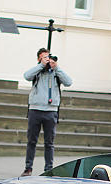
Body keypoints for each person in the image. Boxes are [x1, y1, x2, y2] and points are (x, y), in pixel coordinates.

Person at [21, 48, 73, 176]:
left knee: (49, 143)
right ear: (39, 59)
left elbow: (69, 82)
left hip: (50, 111)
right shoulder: (37, 71)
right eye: (44, 57)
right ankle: (28, 168)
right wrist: (41, 65)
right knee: (31, 141)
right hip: (35, 109)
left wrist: (57, 67)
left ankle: (49, 169)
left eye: (48, 57)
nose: (47, 59)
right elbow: (26, 76)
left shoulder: (55, 73)